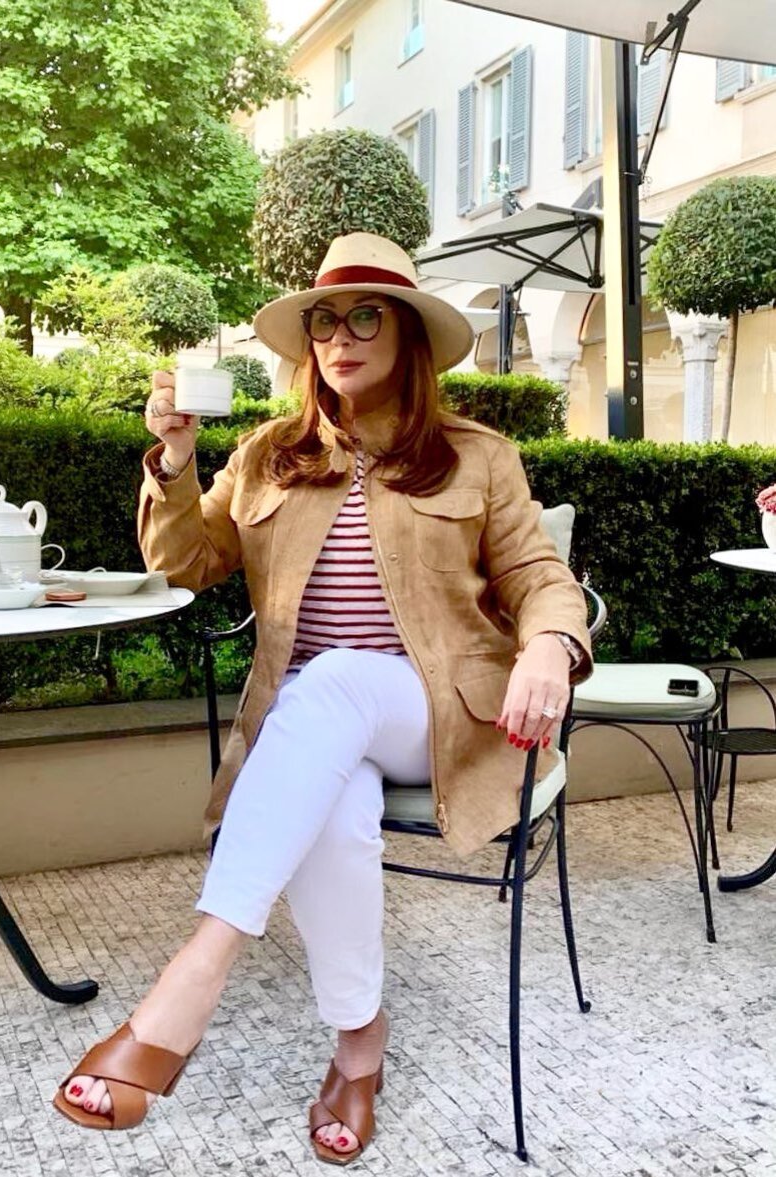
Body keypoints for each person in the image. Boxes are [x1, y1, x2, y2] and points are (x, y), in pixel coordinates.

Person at [52, 232, 592, 1164]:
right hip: (316, 727)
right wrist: (174, 461)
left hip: (439, 712)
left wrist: (549, 642)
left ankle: (192, 979)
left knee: (334, 678)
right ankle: (359, 1047)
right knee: (334, 814)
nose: (340, 336)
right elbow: (186, 561)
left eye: (366, 316)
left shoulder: (478, 456)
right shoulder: (270, 454)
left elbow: (540, 573)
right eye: (325, 320)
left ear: (409, 334)